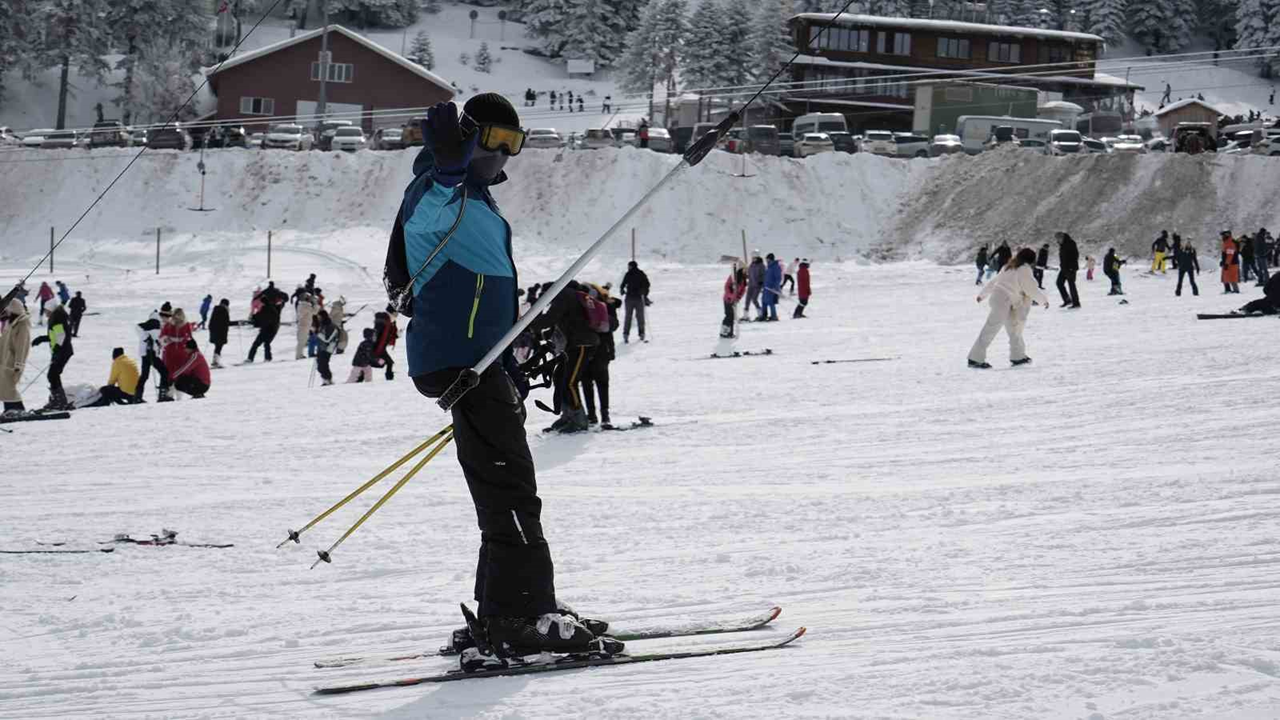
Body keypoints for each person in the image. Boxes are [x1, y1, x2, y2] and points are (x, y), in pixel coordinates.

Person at [382, 94, 604, 657]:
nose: (504, 155)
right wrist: (448, 170)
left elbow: (482, 285)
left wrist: (510, 347)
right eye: (495, 141)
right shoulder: (438, 191)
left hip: (480, 360)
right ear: (465, 138)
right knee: (510, 490)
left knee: (503, 486)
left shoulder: (474, 196)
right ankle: (521, 615)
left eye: (515, 144)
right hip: (460, 362)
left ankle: (502, 605)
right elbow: (428, 218)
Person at [530, 281, 598, 433]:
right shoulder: (567, 296)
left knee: (570, 382)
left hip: (581, 344)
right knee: (559, 378)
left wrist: (527, 324)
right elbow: (560, 324)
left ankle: (579, 419)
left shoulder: (563, 295)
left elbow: (550, 318)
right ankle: (567, 415)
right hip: (572, 344)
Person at [968, 247, 1048, 369]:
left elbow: (994, 281)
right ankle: (975, 358)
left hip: (1004, 301)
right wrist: (1043, 301)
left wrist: (982, 295)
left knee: (1015, 329)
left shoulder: (1008, 266)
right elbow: (1031, 288)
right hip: (1003, 302)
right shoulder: (1024, 269)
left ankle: (1018, 356)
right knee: (991, 328)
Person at [579, 283, 619, 426]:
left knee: (592, 383)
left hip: (594, 349)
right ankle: (597, 415)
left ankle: (598, 415)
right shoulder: (587, 306)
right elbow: (614, 326)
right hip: (596, 349)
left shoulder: (603, 306)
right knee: (595, 383)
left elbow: (613, 325)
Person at [31, 304, 74, 410]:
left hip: (62, 351)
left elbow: (61, 335)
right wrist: (41, 339)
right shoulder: (57, 318)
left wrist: (57, 351)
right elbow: (55, 335)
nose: (45, 313)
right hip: (62, 351)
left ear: (51, 309)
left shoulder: (57, 319)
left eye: (46, 310)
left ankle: (59, 401)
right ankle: (59, 400)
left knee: (52, 375)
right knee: (53, 375)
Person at [0, 298, 32, 416]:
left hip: (13, 360)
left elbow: (22, 344)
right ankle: (9, 409)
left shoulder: (22, 323)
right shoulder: (10, 322)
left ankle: (17, 408)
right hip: (4, 358)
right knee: (3, 385)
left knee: (9, 385)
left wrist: (19, 363)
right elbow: (3, 341)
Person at [133, 311, 170, 402]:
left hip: (145, 354)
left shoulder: (147, 325)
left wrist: (146, 337)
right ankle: (162, 394)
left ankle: (137, 396)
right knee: (164, 372)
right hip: (152, 354)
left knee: (144, 375)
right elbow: (160, 340)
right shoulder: (156, 324)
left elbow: (138, 327)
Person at [247, 284, 285, 362]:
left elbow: (258, 317)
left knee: (258, 343)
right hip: (271, 327)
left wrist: (253, 319)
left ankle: (251, 358)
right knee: (265, 343)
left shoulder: (269, 308)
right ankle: (267, 358)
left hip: (268, 327)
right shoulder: (274, 307)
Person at [620, 260, 650, 342]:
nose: (628, 267)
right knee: (639, 316)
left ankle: (628, 334)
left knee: (630, 317)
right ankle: (639, 333)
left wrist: (622, 290)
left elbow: (623, 284)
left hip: (633, 298)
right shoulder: (637, 274)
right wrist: (644, 292)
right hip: (635, 298)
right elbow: (647, 284)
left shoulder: (633, 274)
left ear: (632, 266)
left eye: (629, 266)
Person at [1055, 232, 1081, 309]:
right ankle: (1067, 300)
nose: (1057, 240)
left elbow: (1075, 255)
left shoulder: (1071, 243)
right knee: (1059, 283)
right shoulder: (1062, 245)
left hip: (1070, 268)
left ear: (1062, 237)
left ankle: (1076, 303)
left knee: (1071, 285)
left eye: (1058, 239)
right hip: (1064, 268)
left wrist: (1071, 267)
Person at [372, 306, 398, 380]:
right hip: (377, 347)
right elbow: (378, 333)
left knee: (389, 362)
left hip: (381, 347)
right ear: (392, 313)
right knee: (386, 362)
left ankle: (389, 378)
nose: (396, 316)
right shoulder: (384, 319)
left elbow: (386, 336)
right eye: (396, 314)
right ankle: (389, 378)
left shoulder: (388, 321)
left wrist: (397, 335)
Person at [313, 309, 338, 386]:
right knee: (320, 365)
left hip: (328, 348)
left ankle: (328, 380)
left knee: (323, 365)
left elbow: (327, 339)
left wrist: (317, 333)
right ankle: (326, 380)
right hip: (321, 348)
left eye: (319, 317)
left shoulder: (331, 326)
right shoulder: (322, 325)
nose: (318, 318)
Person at [721, 263, 746, 338]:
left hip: (734, 300)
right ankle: (724, 332)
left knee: (732, 316)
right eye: (744, 269)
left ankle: (730, 332)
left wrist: (738, 298)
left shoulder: (743, 279)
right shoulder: (732, 277)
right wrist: (731, 296)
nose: (745, 271)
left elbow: (743, 290)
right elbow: (726, 287)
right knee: (728, 315)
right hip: (728, 299)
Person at [208, 298, 230, 368]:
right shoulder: (224, 311)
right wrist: (236, 323)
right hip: (221, 332)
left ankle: (215, 361)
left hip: (214, 331)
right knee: (219, 346)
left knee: (218, 346)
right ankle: (216, 362)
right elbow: (226, 322)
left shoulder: (216, 310)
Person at [760, 253, 782, 321]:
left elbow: (778, 278)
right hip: (766, 287)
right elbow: (766, 277)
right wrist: (763, 285)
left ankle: (774, 316)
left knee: (771, 302)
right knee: (763, 301)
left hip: (771, 288)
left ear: (770, 259)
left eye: (767, 259)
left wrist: (775, 287)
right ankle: (764, 315)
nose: (766, 260)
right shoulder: (768, 267)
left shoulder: (775, 266)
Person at [296, 292, 317, 360]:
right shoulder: (306, 306)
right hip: (304, 325)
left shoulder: (302, 305)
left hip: (304, 325)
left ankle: (300, 354)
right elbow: (315, 312)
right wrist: (315, 304)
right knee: (302, 341)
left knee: (302, 341)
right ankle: (299, 355)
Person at [743, 255, 765, 321]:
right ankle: (745, 316)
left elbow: (763, 274)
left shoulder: (761, 265)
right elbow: (749, 274)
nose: (753, 259)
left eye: (754, 258)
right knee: (747, 300)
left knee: (754, 299)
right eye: (753, 258)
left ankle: (760, 314)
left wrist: (761, 281)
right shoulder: (751, 265)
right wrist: (745, 276)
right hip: (751, 284)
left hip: (757, 285)